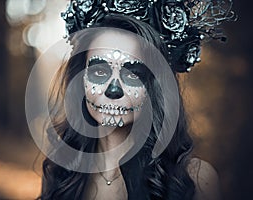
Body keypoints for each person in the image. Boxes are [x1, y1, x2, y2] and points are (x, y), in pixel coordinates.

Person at [36, 1, 235, 199]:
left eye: (133, 75)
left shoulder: (196, 180)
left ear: (154, 87)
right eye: (99, 71)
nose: (114, 90)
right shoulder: (62, 174)